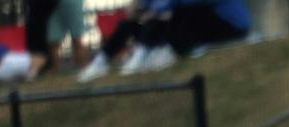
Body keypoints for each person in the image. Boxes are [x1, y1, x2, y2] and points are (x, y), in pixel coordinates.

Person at [76, 0, 251, 81]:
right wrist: (142, 6)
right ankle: (101, 60)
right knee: (128, 24)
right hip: (199, 22)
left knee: (183, 14)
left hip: (230, 26)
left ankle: (153, 53)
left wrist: (158, 7)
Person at [23, 0, 90, 78]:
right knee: (53, 40)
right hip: (54, 4)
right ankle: (54, 70)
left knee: (76, 37)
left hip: (71, 2)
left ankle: (83, 68)